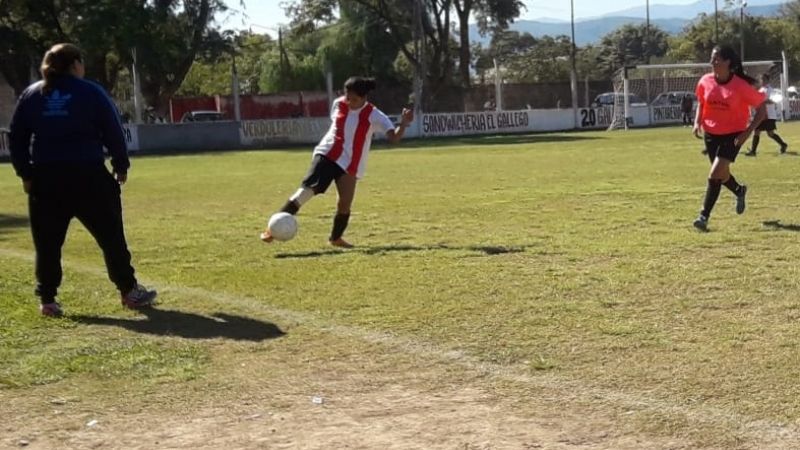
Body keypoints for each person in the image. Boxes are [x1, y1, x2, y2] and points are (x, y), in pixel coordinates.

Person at [8, 43, 157, 316]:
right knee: (111, 237)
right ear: (75, 64)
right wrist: (120, 165)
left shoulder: (32, 95)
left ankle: (48, 300)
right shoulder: (90, 92)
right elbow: (112, 130)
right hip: (88, 176)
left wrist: (26, 173)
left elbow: (16, 137)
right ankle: (129, 291)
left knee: (48, 243)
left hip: (46, 179)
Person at [260, 76, 414, 248]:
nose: (349, 102)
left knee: (345, 203)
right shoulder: (338, 104)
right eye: (347, 97)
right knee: (306, 192)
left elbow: (394, 137)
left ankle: (335, 238)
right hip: (327, 154)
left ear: (364, 98)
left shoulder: (374, 115)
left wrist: (404, 124)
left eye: (354, 99)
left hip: (350, 163)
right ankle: (271, 230)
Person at [692, 45, 767, 232]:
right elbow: (702, 102)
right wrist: (697, 122)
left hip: (733, 134)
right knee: (722, 175)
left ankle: (703, 216)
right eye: (712, 58)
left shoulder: (741, 86)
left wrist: (747, 133)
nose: (713, 62)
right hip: (711, 134)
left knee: (715, 173)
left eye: (717, 58)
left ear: (728, 62)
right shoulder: (705, 81)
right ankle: (739, 190)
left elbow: (762, 111)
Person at [745, 73, 788, 156]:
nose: (762, 81)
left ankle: (783, 144)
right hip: (761, 114)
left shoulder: (770, 90)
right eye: (761, 79)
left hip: (768, 115)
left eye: (764, 79)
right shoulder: (761, 89)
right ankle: (753, 151)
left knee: (770, 133)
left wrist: (761, 102)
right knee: (756, 131)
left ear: (768, 80)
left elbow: (773, 100)